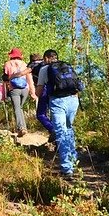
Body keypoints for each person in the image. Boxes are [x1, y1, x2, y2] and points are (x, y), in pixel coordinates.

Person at [35, 49, 81, 180]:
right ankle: (73, 161)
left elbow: (39, 92)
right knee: (68, 129)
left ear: (46, 58)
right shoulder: (67, 66)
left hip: (58, 101)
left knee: (60, 132)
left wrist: (37, 93)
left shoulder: (45, 69)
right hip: (73, 100)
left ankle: (67, 169)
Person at [3, 48, 32, 137]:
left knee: (17, 108)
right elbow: (29, 79)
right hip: (25, 89)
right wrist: (32, 91)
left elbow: (5, 79)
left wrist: (4, 94)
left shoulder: (7, 64)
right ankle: (24, 128)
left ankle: (21, 128)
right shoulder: (24, 64)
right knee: (20, 108)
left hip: (14, 89)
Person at [27, 53, 54, 139]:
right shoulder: (48, 64)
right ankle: (55, 133)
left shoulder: (32, 65)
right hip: (54, 90)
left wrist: (33, 92)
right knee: (54, 113)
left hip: (42, 89)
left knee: (40, 114)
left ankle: (53, 130)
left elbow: (28, 77)